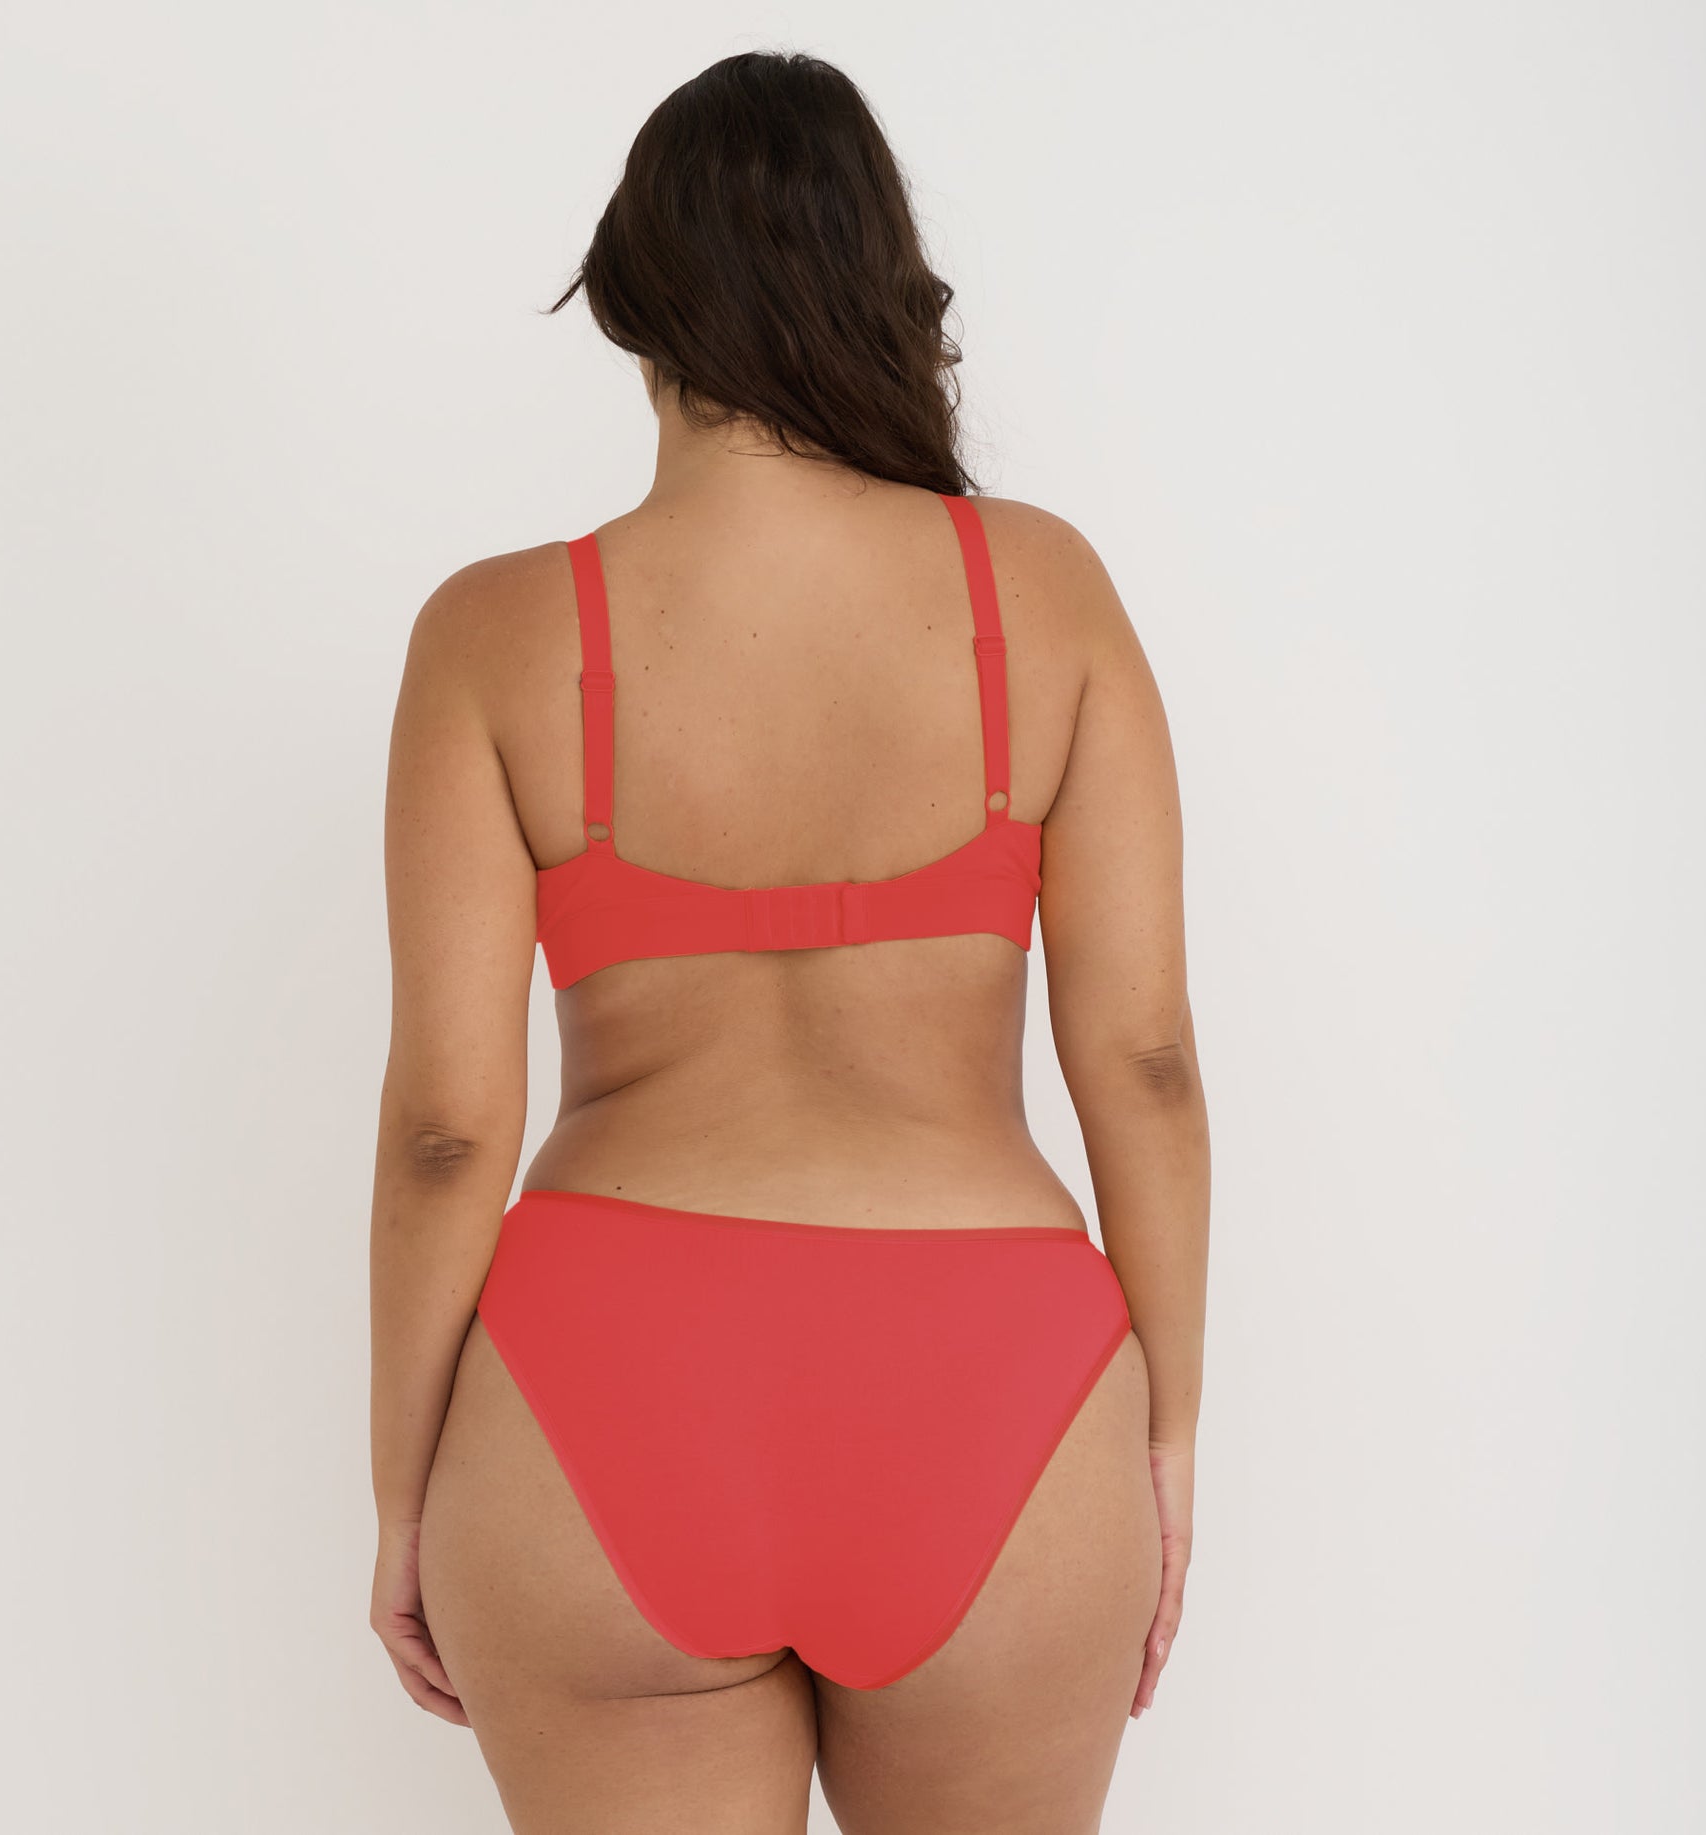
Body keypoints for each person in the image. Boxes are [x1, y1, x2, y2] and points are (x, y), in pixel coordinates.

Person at [367, 49, 1209, 1835]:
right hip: (992, 1387)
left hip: (604, 1389)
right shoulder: (1039, 590)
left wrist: (403, 1493)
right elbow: (1141, 1062)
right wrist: (1166, 1434)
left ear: (627, 304)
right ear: (885, 293)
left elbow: (446, 1128)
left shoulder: (494, 635)